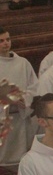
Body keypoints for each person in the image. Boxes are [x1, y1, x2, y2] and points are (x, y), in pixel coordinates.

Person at [0, 27, 37, 163]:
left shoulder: (23, 63)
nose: (6, 43)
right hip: (3, 119)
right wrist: (7, 100)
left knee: (22, 157)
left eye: (8, 39)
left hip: (21, 116)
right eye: (1, 41)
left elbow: (34, 87)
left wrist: (23, 99)